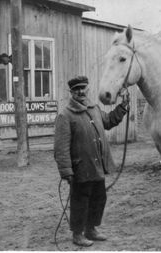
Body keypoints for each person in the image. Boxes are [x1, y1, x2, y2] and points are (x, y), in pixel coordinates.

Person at [54, 76, 128, 247]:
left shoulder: (94, 109)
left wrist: (123, 107)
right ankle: (78, 234)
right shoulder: (65, 116)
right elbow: (61, 148)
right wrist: (66, 171)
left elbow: (109, 121)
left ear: (87, 89)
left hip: (97, 166)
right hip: (81, 167)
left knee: (99, 198)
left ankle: (91, 229)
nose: (80, 92)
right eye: (76, 89)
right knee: (80, 200)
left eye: (83, 88)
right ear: (71, 92)